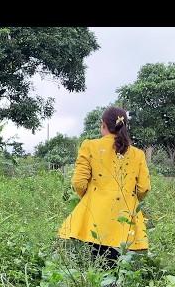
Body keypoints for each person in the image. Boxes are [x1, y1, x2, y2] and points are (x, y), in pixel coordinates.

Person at [58, 106, 151, 265]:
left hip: (95, 214)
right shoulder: (137, 154)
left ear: (103, 124)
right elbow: (144, 188)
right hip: (125, 217)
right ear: (124, 126)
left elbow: (79, 182)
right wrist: (130, 197)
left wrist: (90, 197)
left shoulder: (90, 146)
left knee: (96, 264)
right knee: (119, 265)